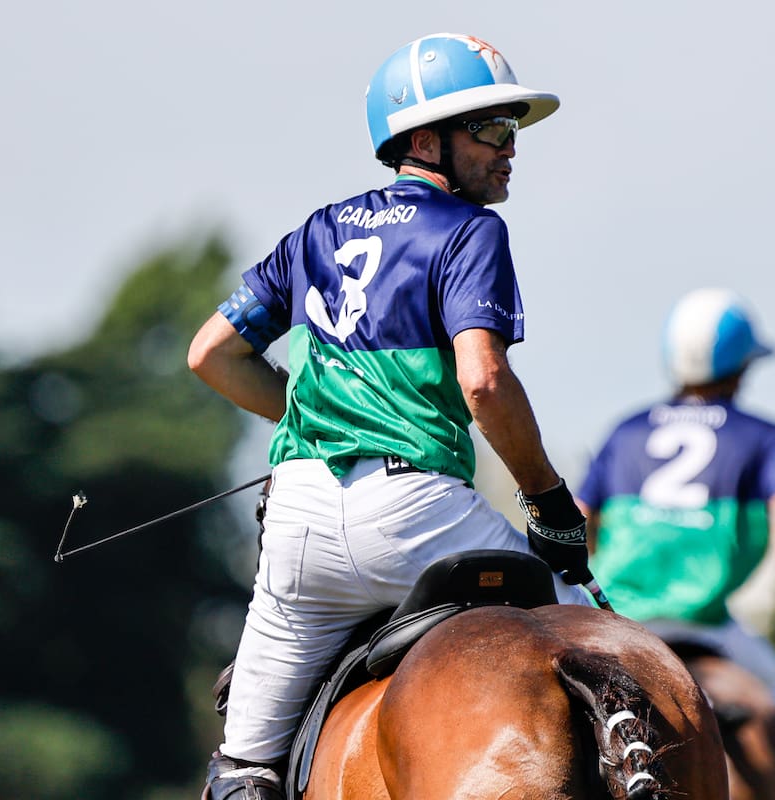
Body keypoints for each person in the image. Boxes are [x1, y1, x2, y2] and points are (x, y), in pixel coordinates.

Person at [187, 32, 594, 800]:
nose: (510, 149)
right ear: (424, 139)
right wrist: (547, 499)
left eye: (511, 130)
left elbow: (210, 355)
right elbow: (484, 382)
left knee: (241, 768)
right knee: (603, 649)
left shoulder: (313, 232)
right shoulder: (473, 231)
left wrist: (320, 411)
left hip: (300, 530)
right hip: (418, 518)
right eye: (491, 130)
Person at [575, 287, 775, 715]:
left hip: (616, 617)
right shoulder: (762, 434)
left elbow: (578, 517)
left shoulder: (624, 430)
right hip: (707, 623)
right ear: (742, 366)